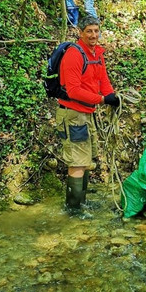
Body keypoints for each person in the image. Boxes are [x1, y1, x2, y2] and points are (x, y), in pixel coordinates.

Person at [55, 15, 120, 211]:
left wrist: (112, 97)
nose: (93, 35)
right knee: (77, 162)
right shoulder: (74, 55)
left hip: (86, 113)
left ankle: (81, 203)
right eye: (89, 31)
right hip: (73, 114)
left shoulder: (96, 54)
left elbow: (103, 79)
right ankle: (74, 210)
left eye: (96, 31)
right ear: (80, 33)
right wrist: (102, 100)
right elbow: (73, 91)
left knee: (84, 160)